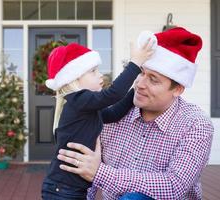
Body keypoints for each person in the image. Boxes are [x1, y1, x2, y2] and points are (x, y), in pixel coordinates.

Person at [57, 27, 214, 200]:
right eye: (140, 72)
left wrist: (100, 173)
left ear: (177, 89)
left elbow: (174, 186)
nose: (139, 84)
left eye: (153, 79)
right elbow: (86, 175)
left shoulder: (196, 124)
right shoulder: (110, 114)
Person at [41, 41, 154, 200]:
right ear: (75, 78)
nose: (100, 75)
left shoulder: (85, 109)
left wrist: (135, 90)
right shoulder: (78, 100)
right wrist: (135, 64)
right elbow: (113, 94)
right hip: (63, 190)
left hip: (69, 189)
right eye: (93, 71)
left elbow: (114, 113)